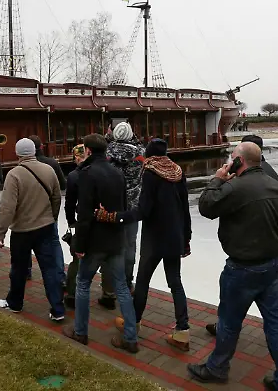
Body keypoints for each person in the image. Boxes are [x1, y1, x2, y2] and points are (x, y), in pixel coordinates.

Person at [188, 142, 278, 390]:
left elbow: (206, 207)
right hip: (272, 264)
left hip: (243, 267)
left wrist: (217, 179)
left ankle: (216, 368)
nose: (229, 160)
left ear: (240, 161)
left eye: (233, 157)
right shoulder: (274, 185)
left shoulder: (235, 187)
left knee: (229, 320)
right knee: (276, 323)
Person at [96, 138, 192, 351]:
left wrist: (115, 217)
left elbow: (144, 210)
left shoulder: (150, 173)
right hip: (174, 237)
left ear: (149, 153)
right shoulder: (177, 171)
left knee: (142, 282)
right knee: (175, 283)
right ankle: (183, 331)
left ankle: (134, 323)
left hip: (154, 238)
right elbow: (185, 208)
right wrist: (186, 238)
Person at [207, 135, 278, 347]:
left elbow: (209, 206)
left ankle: (223, 340)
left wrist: (218, 181)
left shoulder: (243, 180)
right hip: (270, 250)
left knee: (234, 301)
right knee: (276, 297)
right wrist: (277, 244)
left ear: (242, 157)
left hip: (249, 254)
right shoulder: (270, 174)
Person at [62, 134, 139, 354]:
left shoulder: (87, 174)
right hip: (115, 239)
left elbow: (85, 214)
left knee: (83, 283)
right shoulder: (117, 172)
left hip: (95, 241)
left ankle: (80, 331)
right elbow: (123, 207)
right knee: (122, 287)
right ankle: (131, 338)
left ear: (87, 150)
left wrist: (79, 245)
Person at [0, 138, 64, 320]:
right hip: (45, 227)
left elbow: (8, 208)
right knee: (50, 269)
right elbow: (56, 198)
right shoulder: (48, 169)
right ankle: (58, 309)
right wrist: (51, 217)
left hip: (22, 231)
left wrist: (0, 233)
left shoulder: (14, 175)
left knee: (19, 269)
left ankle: (15, 303)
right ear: (34, 151)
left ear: (17, 153)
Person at [106, 122, 144, 293]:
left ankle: (110, 286)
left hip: (111, 208)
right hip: (132, 210)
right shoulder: (140, 154)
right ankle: (127, 282)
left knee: (111, 246)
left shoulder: (107, 153)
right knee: (130, 247)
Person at [28, 135, 66, 284]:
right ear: (41, 147)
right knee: (54, 242)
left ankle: (26, 271)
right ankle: (60, 275)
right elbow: (62, 185)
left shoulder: (21, 167)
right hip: (49, 211)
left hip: (29, 211)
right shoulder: (52, 163)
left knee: (26, 242)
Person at [63, 144, 86, 308]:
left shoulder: (74, 175)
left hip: (83, 221)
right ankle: (109, 294)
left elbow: (70, 203)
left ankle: (72, 294)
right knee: (106, 259)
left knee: (77, 258)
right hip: (106, 220)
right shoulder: (109, 170)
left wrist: (71, 221)